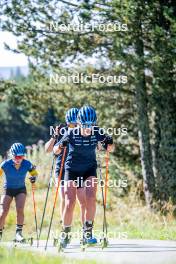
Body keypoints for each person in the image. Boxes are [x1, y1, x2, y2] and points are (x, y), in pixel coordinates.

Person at [53, 105, 113, 248]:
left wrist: (110, 143)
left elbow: (110, 149)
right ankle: (66, 234)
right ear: (79, 123)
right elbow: (55, 151)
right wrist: (61, 146)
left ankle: (88, 233)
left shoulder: (97, 132)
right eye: (85, 125)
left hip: (89, 168)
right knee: (70, 201)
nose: (88, 128)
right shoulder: (71, 133)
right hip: (72, 169)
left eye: (91, 125)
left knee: (91, 197)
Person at [45, 108, 86, 224]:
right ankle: (64, 226)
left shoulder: (83, 132)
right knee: (66, 198)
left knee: (83, 200)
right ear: (67, 122)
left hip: (78, 170)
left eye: (75, 124)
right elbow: (47, 150)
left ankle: (85, 230)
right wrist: (54, 136)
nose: (72, 127)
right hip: (62, 169)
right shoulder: (62, 132)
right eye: (70, 124)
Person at [0, 143, 38, 242]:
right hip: (8, 189)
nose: (18, 159)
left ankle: (18, 233)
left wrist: (34, 178)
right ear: (12, 155)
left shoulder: (27, 163)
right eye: (16, 156)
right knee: (3, 211)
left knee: (20, 209)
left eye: (21, 156)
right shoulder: (5, 164)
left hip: (20, 189)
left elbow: (35, 174)